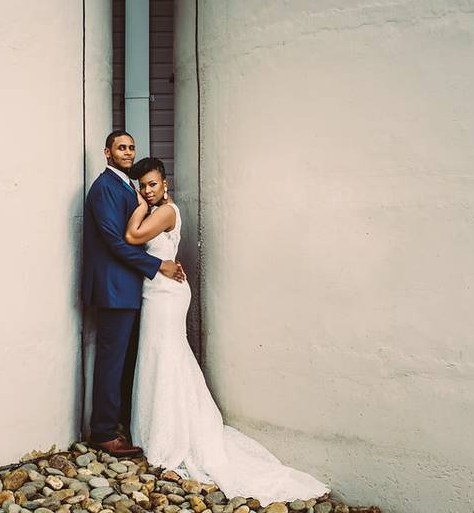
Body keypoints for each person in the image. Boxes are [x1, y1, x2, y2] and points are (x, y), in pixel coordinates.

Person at [125, 157, 330, 503]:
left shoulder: (164, 211)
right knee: (158, 355)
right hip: (156, 290)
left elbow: (132, 236)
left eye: (152, 184)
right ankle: (156, 430)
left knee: (167, 355)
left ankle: (174, 436)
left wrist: (139, 204)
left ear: (165, 185)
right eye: (142, 185)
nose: (148, 190)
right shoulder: (156, 209)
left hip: (166, 296)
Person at [83, 132, 186, 458]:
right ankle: (103, 432)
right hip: (115, 288)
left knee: (128, 360)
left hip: (134, 288)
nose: (127, 152)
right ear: (107, 153)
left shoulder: (127, 185)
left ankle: (122, 423)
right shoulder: (104, 189)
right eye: (121, 148)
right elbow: (117, 241)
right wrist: (158, 266)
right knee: (112, 361)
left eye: (131, 147)